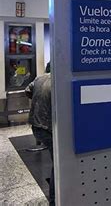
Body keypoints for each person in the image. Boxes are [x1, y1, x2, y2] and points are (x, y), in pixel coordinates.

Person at [25, 68, 54, 205]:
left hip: (35, 125)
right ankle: (54, 199)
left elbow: (27, 91)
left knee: (55, 159)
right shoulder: (58, 81)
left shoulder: (39, 78)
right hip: (48, 128)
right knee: (59, 163)